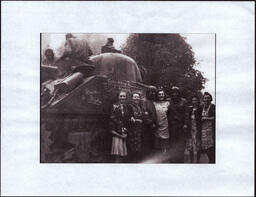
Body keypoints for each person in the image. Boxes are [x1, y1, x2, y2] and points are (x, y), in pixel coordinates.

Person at [167, 86, 188, 162]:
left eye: (176, 92)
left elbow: (186, 113)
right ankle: (172, 159)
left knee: (181, 143)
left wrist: (186, 123)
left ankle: (180, 159)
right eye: (173, 92)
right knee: (172, 142)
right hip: (172, 125)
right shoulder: (168, 101)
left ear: (179, 93)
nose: (174, 94)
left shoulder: (184, 101)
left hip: (181, 125)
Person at [109, 91, 129, 163]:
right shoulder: (115, 106)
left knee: (122, 152)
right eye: (121, 96)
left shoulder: (125, 106)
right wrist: (119, 131)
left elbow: (125, 119)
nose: (122, 98)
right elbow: (113, 118)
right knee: (118, 151)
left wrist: (125, 129)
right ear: (118, 97)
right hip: (117, 131)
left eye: (124, 96)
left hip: (123, 130)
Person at [140, 86, 158, 158]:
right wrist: (151, 123)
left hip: (153, 126)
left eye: (154, 92)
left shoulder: (152, 101)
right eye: (151, 91)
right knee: (146, 143)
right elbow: (144, 113)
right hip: (146, 126)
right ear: (147, 92)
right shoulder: (144, 101)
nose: (153, 93)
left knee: (152, 143)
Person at [198, 92, 215, 163]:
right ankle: (209, 160)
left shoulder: (213, 107)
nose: (206, 99)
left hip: (211, 129)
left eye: (208, 98)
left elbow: (215, 117)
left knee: (211, 146)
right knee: (205, 146)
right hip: (203, 129)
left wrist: (206, 119)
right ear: (203, 99)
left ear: (210, 99)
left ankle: (212, 161)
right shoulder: (201, 106)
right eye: (205, 98)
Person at [184, 95, 202, 163]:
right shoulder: (189, 109)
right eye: (192, 100)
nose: (194, 102)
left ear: (198, 101)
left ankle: (197, 161)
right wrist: (186, 124)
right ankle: (191, 161)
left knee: (198, 146)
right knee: (190, 146)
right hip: (190, 129)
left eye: (195, 100)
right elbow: (186, 118)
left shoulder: (200, 108)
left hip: (197, 129)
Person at [127, 92, 144, 162]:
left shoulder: (140, 107)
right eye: (135, 97)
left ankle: (137, 160)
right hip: (132, 129)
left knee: (138, 144)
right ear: (132, 98)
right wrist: (138, 120)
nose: (136, 98)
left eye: (138, 97)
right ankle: (132, 161)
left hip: (139, 129)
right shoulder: (130, 106)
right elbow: (129, 118)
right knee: (132, 144)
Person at [153, 90, 170, 154]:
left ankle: (164, 155)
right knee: (157, 140)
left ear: (164, 95)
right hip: (157, 124)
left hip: (165, 124)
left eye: (162, 94)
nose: (161, 95)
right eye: (159, 94)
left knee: (165, 140)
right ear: (157, 95)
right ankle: (158, 156)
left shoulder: (167, 103)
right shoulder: (154, 103)